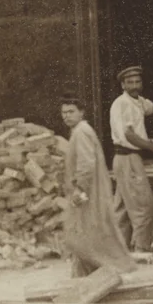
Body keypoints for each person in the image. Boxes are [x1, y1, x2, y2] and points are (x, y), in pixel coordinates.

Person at [59, 97, 138, 278]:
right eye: (64, 112)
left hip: (88, 193)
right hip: (86, 191)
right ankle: (84, 276)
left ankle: (115, 270)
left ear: (81, 112)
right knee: (85, 234)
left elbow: (86, 164)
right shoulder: (79, 131)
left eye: (71, 112)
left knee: (86, 234)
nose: (67, 116)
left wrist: (80, 189)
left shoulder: (81, 132)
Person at [109, 66, 153, 253]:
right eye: (130, 82)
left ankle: (119, 252)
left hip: (127, 159)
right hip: (127, 158)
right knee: (144, 209)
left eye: (138, 82)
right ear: (123, 84)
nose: (135, 85)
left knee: (122, 211)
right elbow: (129, 135)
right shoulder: (122, 104)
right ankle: (141, 250)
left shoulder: (137, 101)